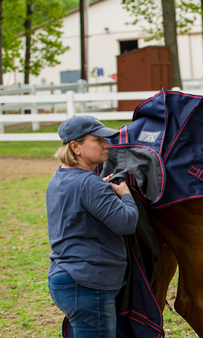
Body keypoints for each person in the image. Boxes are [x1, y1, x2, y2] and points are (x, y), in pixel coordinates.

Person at [46, 115, 138, 337]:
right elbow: (127, 223)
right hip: (88, 284)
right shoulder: (89, 184)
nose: (107, 145)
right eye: (98, 140)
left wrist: (100, 189)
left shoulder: (60, 177)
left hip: (68, 277)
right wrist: (125, 195)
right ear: (75, 147)